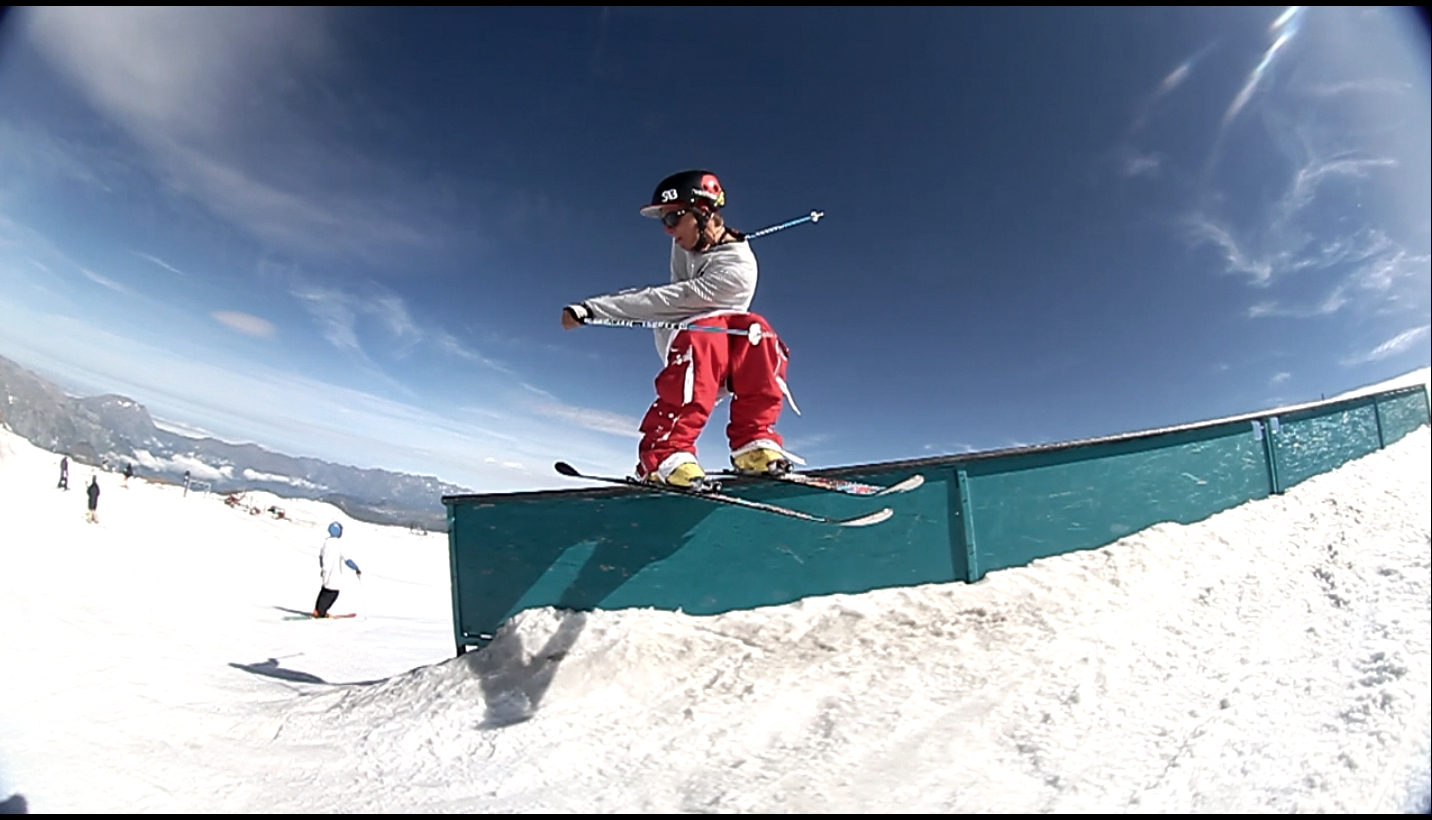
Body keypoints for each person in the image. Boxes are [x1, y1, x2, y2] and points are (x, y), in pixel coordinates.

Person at [561, 169, 799, 488]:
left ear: (702, 212)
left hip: (716, 353)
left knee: (759, 331)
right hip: (686, 352)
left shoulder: (739, 271)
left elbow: (670, 299)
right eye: (664, 221)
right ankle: (664, 453)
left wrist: (591, 309)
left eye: (673, 219)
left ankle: (752, 443)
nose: (668, 231)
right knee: (707, 330)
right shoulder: (687, 245)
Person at [313, 521, 361, 618]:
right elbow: (347, 559)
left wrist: (323, 568)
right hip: (334, 572)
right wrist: (356, 568)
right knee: (333, 592)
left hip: (325, 571)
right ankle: (321, 612)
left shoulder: (325, 542)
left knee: (325, 590)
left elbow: (321, 557)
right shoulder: (339, 544)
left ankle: (318, 610)